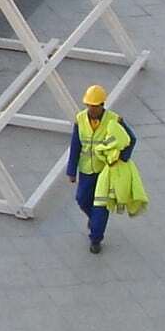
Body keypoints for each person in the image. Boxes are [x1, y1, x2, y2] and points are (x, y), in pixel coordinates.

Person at [65, 84, 136, 254]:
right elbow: (75, 145)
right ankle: (94, 220)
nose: (92, 109)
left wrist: (121, 159)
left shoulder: (114, 120)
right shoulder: (80, 119)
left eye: (95, 106)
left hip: (106, 171)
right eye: (89, 105)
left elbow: (131, 139)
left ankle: (96, 238)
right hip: (86, 169)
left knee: (100, 205)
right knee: (82, 199)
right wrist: (71, 170)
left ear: (102, 105)